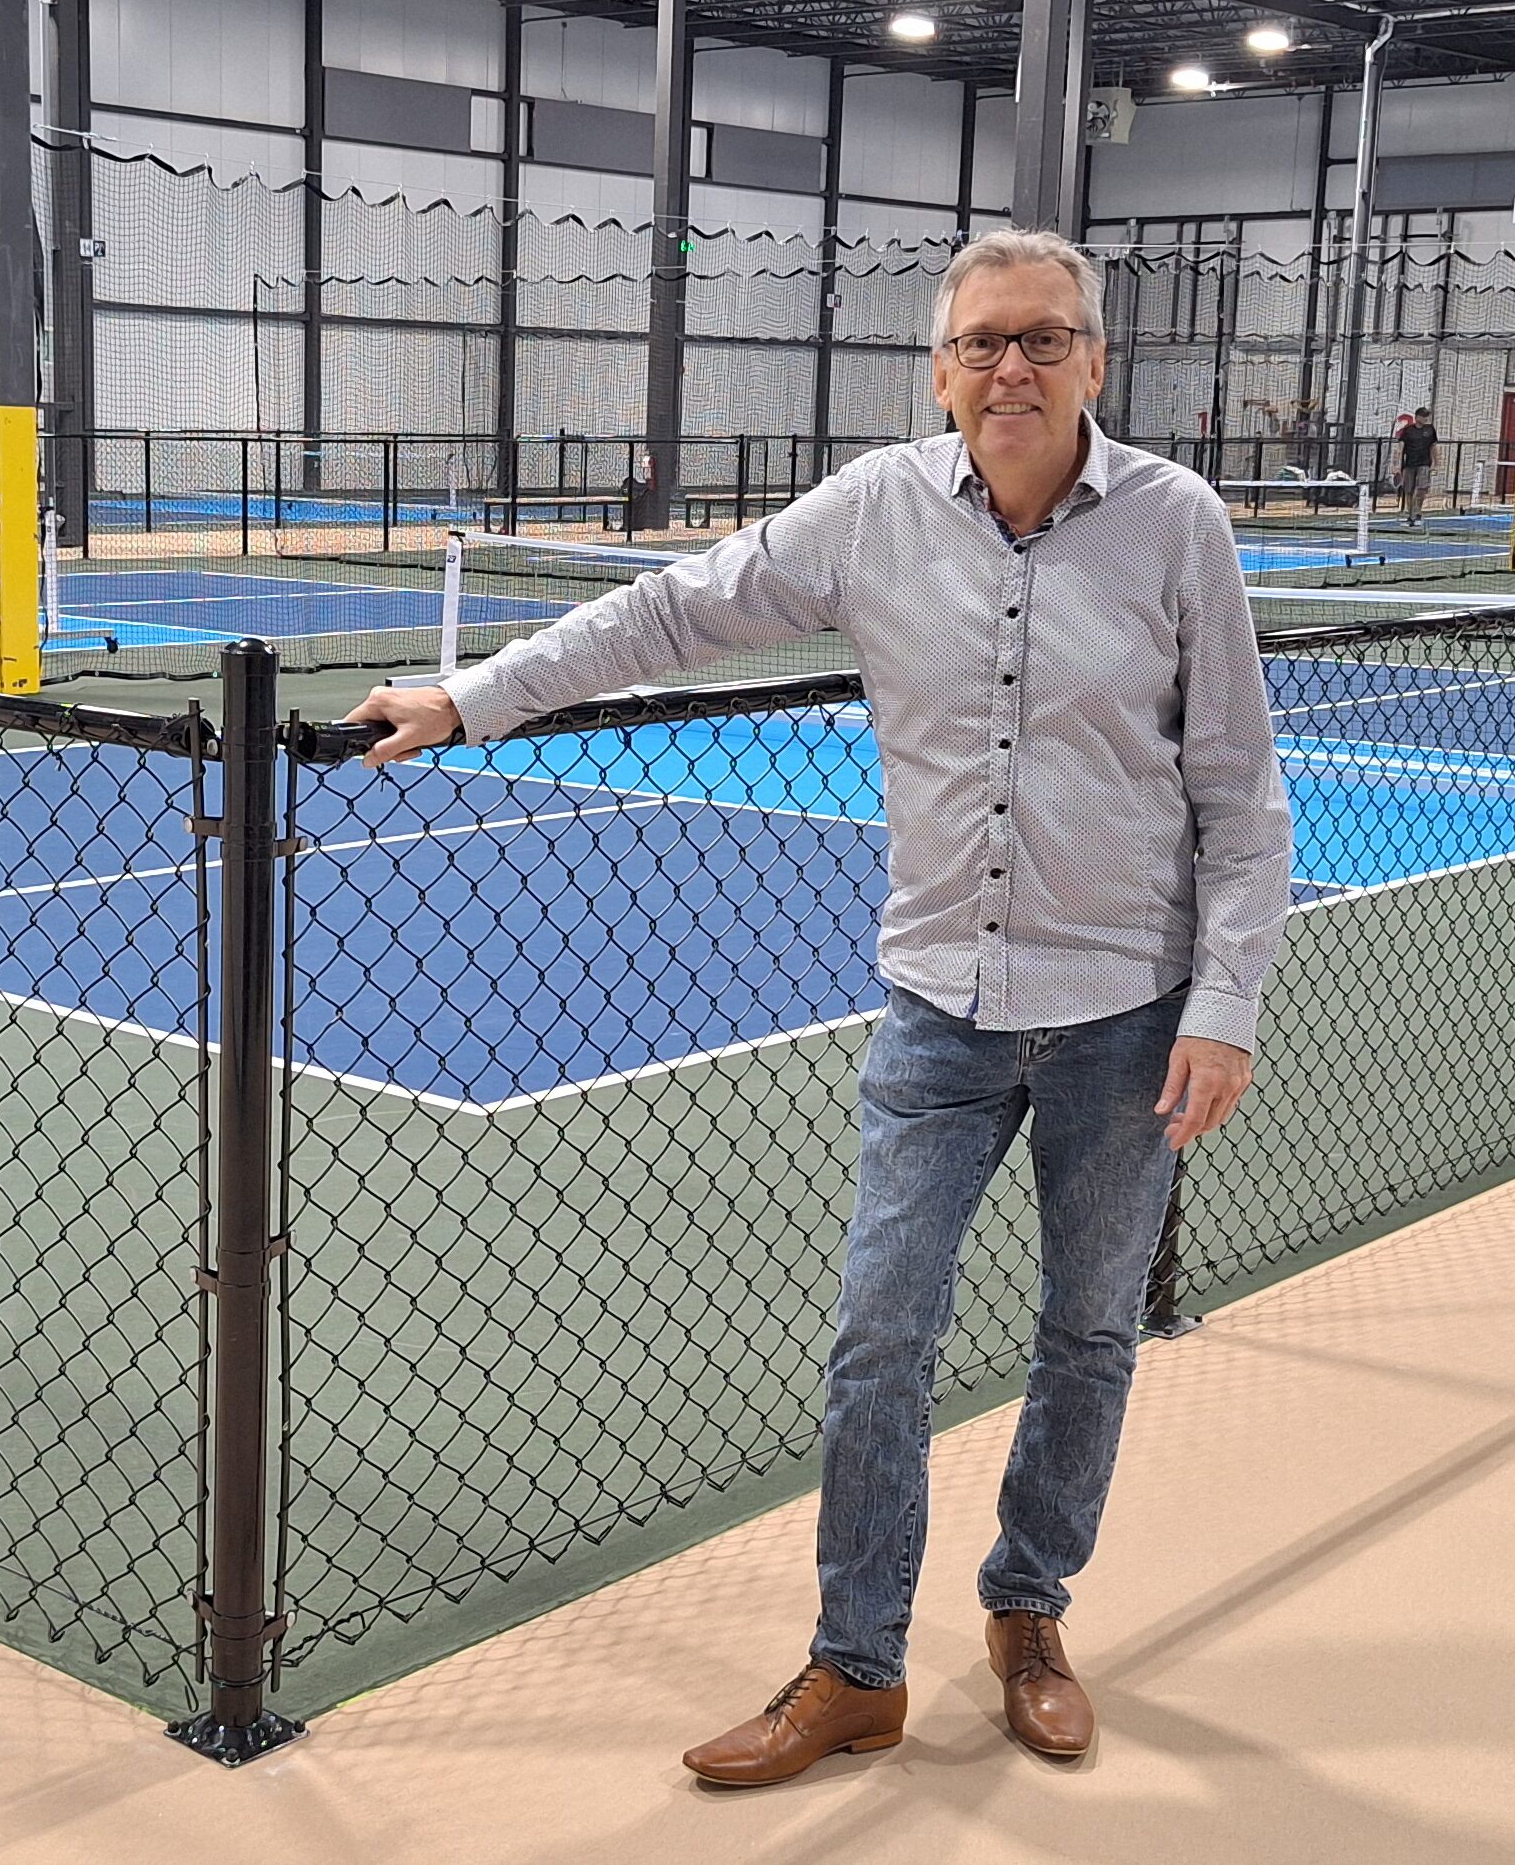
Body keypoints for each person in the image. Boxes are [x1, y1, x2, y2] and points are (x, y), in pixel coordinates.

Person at [344, 228, 1293, 1781]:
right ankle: (857, 1666)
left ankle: (1029, 1609)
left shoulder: (1178, 526)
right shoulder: (870, 513)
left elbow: (1240, 793)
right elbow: (665, 615)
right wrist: (471, 695)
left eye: (1044, 339)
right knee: (878, 1338)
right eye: (983, 343)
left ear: (1095, 362)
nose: (1012, 368)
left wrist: (1229, 1000)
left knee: (1088, 1332)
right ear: (940, 369)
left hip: (1130, 1010)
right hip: (937, 1010)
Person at [1396, 406, 1438, 527]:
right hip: (1409, 464)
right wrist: (1397, 465)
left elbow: (1433, 447)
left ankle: (1418, 513)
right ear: (1417, 417)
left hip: (1424, 463)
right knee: (1409, 490)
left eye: (1426, 416)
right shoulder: (1408, 430)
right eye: (1423, 416)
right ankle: (1410, 515)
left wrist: (1436, 463)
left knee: (1421, 489)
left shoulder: (1430, 430)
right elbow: (1400, 448)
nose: (1425, 418)